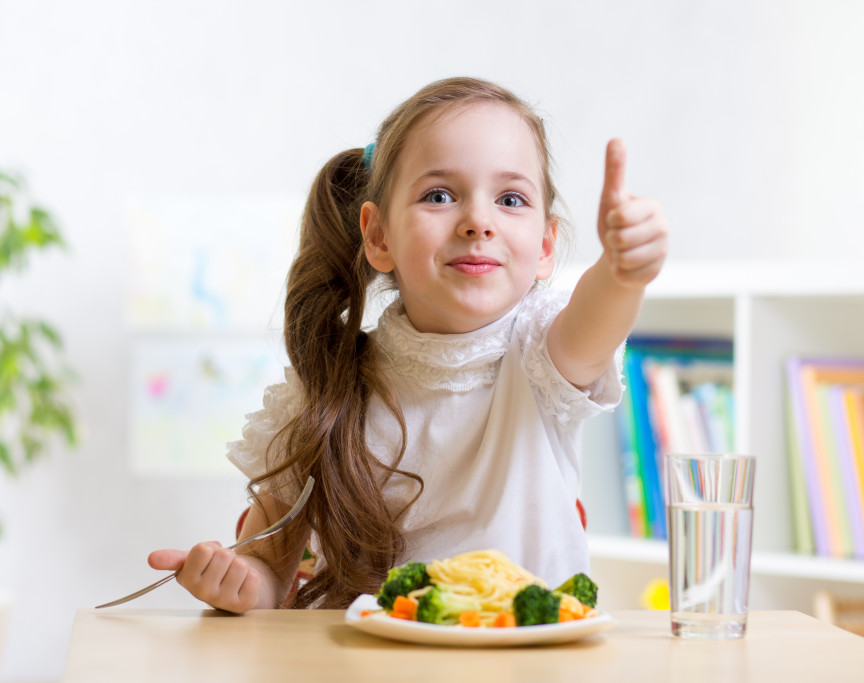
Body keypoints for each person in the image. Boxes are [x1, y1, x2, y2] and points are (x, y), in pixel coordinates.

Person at [148, 76, 668, 613]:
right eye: (439, 195)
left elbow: (594, 324)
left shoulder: (543, 353)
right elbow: (268, 571)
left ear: (544, 246)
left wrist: (623, 272)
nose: (478, 222)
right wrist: (237, 581)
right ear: (378, 236)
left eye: (510, 199)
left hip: (524, 664)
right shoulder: (327, 384)